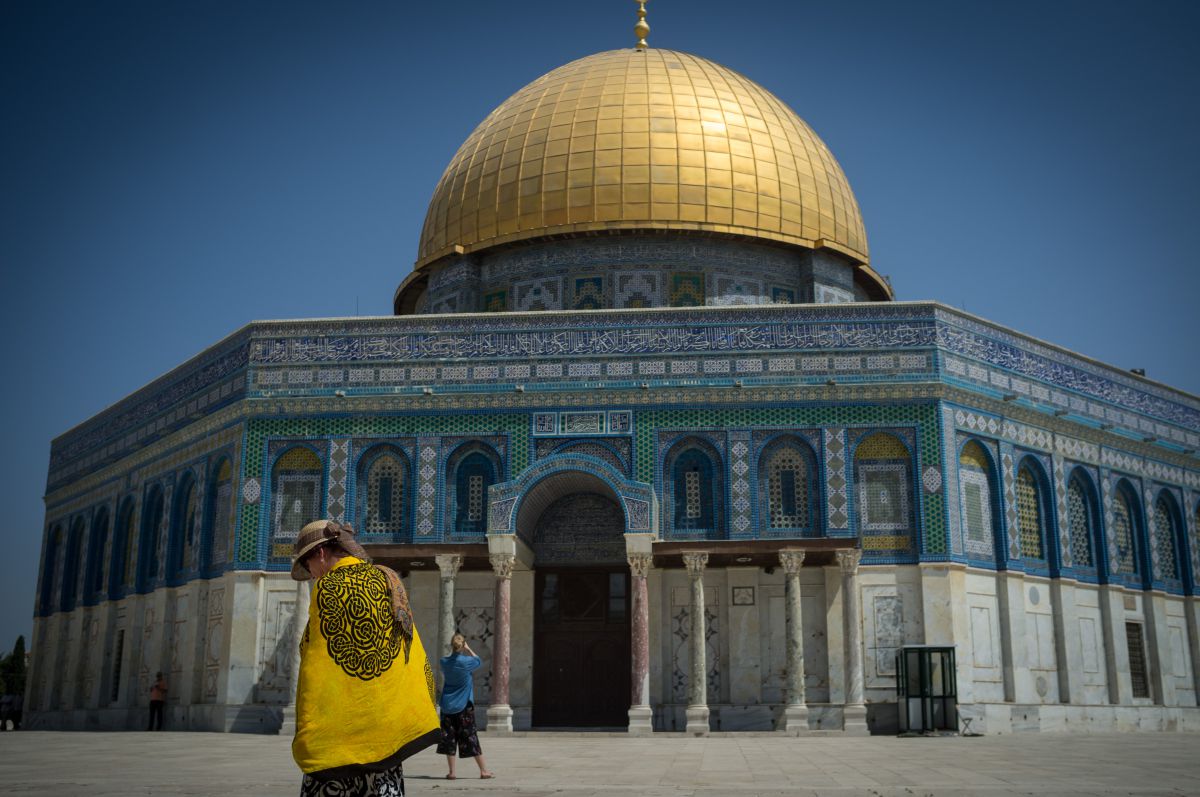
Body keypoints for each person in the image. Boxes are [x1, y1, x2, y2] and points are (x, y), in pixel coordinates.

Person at [291, 520, 440, 797]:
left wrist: (309, 723)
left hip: (341, 736)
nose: (310, 574)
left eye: (306, 564)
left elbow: (316, 660)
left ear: (320, 553)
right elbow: (408, 650)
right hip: (387, 733)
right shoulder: (387, 577)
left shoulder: (327, 587)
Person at [437, 633, 494, 780]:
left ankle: (452, 772)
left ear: (452, 646)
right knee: (471, 737)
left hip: (447, 706)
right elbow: (479, 661)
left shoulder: (444, 662)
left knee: (449, 738)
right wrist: (468, 649)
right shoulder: (466, 662)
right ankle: (483, 771)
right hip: (464, 706)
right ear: (463, 646)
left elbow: (448, 664)